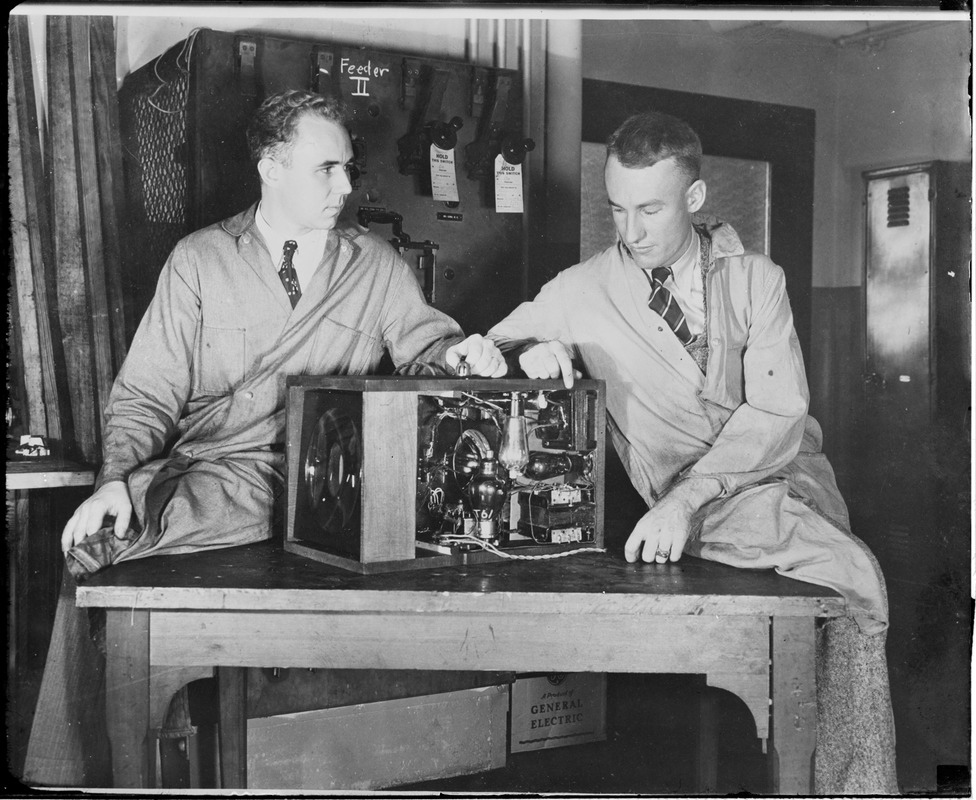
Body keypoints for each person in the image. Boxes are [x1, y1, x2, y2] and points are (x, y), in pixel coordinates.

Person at [26, 90, 507, 786]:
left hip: (323, 483)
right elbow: (145, 394)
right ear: (270, 169)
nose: (346, 186)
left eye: (349, 168)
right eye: (327, 169)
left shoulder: (372, 265)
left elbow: (429, 352)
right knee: (91, 543)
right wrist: (115, 481)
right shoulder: (199, 260)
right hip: (211, 474)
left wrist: (466, 355)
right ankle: (66, 774)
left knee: (106, 547)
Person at [488, 111, 897, 794]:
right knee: (856, 576)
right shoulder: (583, 288)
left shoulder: (757, 279)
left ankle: (850, 784)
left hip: (780, 483)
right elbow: (482, 349)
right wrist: (532, 350)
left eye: (650, 209)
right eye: (617, 209)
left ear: (697, 199)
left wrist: (687, 499)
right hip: (708, 515)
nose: (631, 231)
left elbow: (778, 412)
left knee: (850, 591)